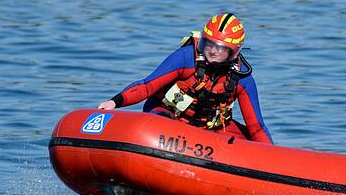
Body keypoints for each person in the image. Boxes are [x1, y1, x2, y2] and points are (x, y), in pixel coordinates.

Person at [98, 13, 272, 144]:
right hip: (167, 116)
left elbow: (256, 126)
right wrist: (114, 102)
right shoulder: (186, 57)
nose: (212, 51)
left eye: (220, 48)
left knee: (250, 139)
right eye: (208, 44)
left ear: (234, 52)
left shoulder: (242, 78)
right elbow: (146, 86)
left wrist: (273, 158)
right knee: (160, 124)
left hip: (209, 129)